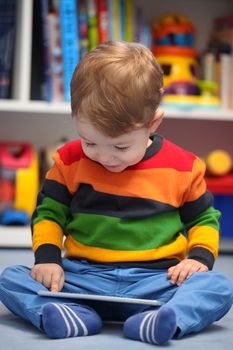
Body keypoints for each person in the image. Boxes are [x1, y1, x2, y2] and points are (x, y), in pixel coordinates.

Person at [0, 41, 232, 345]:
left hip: (156, 282)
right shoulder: (68, 161)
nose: (105, 156)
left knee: (217, 287)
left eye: (121, 146)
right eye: (90, 142)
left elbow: (203, 218)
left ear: (153, 123)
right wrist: (47, 259)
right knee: (11, 279)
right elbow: (49, 213)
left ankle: (158, 321)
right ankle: (73, 315)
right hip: (81, 279)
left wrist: (198, 258)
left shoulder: (183, 167)